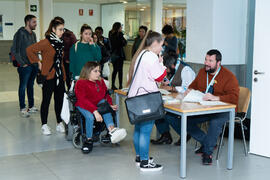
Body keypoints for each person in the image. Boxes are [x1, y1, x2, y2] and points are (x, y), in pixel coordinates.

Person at [165, 49, 239, 165]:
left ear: (218, 63)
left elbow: (234, 97)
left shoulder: (229, 76)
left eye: (210, 60)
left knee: (215, 122)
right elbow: (192, 86)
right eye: (206, 59)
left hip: (223, 109)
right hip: (204, 107)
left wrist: (216, 98)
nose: (206, 63)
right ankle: (208, 142)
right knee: (174, 117)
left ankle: (207, 152)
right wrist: (188, 90)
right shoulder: (202, 72)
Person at [127, 30, 167, 172]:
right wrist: (162, 64)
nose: (161, 49)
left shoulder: (141, 54)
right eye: (161, 45)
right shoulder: (151, 56)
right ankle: (145, 162)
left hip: (136, 98)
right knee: (145, 131)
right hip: (146, 98)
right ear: (155, 43)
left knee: (138, 129)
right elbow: (159, 77)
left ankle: (139, 157)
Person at [75, 62, 127, 154]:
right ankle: (88, 140)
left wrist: (110, 105)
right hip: (83, 104)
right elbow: (83, 100)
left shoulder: (100, 81)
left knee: (105, 106)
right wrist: (94, 111)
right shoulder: (81, 83)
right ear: (88, 72)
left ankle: (112, 130)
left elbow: (105, 96)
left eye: (99, 71)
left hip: (97, 104)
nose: (99, 73)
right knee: (90, 117)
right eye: (95, 71)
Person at [27, 17, 66, 135]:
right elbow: (30, 50)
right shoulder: (46, 42)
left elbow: (60, 61)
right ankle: (44, 124)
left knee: (59, 101)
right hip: (48, 76)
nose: (62, 32)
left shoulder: (60, 43)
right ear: (53, 29)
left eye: (63, 29)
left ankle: (59, 122)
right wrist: (38, 62)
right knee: (46, 101)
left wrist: (64, 75)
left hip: (59, 77)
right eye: (60, 29)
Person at [150, 52, 196, 146]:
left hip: (186, 101)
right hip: (173, 98)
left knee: (169, 116)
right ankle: (165, 135)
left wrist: (171, 88)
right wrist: (163, 84)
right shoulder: (171, 69)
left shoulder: (186, 70)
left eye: (166, 69)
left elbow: (187, 89)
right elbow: (166, 81)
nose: (166, 71)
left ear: (172, 65)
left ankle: (185, 134)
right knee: (155, 109)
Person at [11, 14, 38, 118]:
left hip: (33, 64)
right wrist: (23, 63)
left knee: (30, 85)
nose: (36, 24)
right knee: (23, 86)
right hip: (25, 66)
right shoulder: (20, 33)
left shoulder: (33, 34)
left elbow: (35, 49)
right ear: (28, 22)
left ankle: (31, 106)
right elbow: (14, 50)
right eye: (34, 22)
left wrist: (37, 62)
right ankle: (23, 107)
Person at [109, 22, 127, 90]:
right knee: (120, 71)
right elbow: (124, 43)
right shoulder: (119, 35)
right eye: (121, 27)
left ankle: (113, 85)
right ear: (118, 28)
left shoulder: (111, 34)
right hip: (119, 54)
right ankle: (120, 85)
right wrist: (122, 35)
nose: (121, 28)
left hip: (114, 54)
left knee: (115, 70)